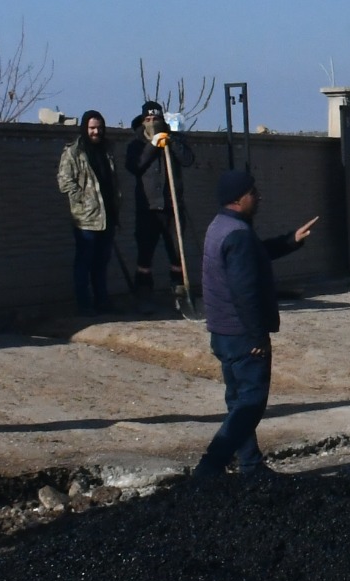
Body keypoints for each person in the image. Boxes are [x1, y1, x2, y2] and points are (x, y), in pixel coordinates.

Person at [196, 166, 316, 478]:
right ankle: (210, 467)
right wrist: (257, 338)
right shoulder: (237, 235)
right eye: (253, 192)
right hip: (240, 336)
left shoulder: (221, 226)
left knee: (238, 401)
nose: (258, 197)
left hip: (222, 333)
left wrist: (290, 240)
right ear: (237, 199)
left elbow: (256, 253)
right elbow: (245, 292)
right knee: (250, 403)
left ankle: (249, 465)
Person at [124, 103, 191, 306]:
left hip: (172, 207)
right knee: (145, 255)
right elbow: (135, 167)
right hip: (148, 210)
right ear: (143, 121)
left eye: (156, 119)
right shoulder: (136, 144)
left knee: (177, 255)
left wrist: (170, 143)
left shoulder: (175, 139)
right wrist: (152, 145)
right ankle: (144, 295)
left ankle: (180, 295)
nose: (153, 123)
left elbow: (187, 160)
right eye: (149, 120)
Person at [57, 109, 118, 314]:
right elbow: (65, 182)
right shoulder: (74, 152)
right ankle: (84, 304)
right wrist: (83, 200)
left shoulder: (107, 149)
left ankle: (102, 301)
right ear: (85, 128)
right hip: (86, 219)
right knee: (84, 262)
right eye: (92, 128)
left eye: (99, 128)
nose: (96, 132)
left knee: (101, 263)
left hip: (107, 216)